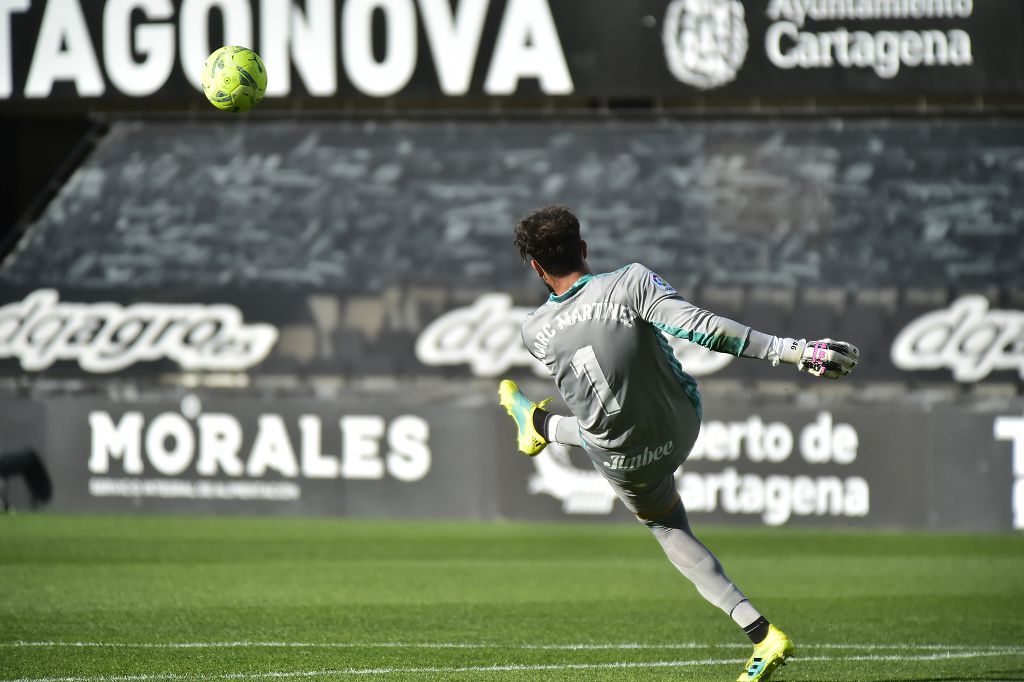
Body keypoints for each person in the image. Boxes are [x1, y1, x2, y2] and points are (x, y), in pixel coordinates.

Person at [498, 205, 859, 682]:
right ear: (584, 249)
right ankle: (539, 424)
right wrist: (793, 351)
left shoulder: (533, 331)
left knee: (667, 526)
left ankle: (763, 636)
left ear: (537, 269)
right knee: (617, 406)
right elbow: (703, 328)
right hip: (682, 422)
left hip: (626, 460)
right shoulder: (631, 282)